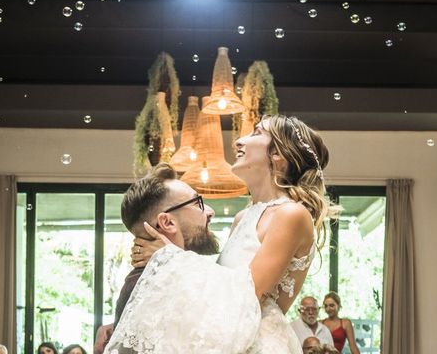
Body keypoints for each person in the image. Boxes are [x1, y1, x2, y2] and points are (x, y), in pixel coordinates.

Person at [117, 114, 332, 353]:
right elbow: (219, 292)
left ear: (278, 156)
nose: (239, 141)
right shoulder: (243, 217)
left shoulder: (291, 214)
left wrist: (169, 257)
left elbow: (248, 295)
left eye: (256, 133)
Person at [93, 162, 218, 354]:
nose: (209, 211)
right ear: (167, 222)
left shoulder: (174, 276)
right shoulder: (153, 285)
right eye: (197, 203)